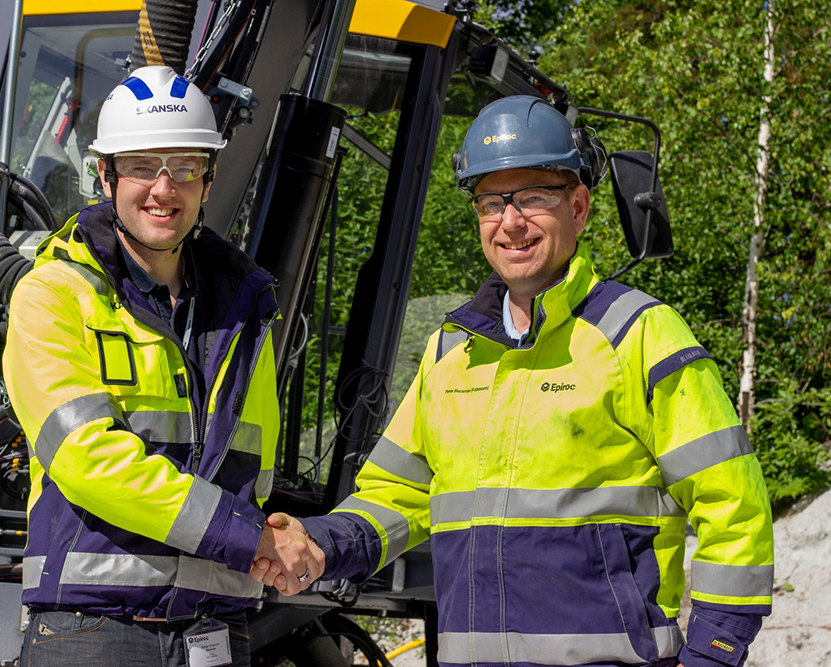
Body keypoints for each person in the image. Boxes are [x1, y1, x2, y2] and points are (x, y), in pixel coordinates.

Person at [253, 95, 774, 667]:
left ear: (578, 206)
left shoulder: (640, 335)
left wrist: (713, 653)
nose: (511, 222)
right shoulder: (452, 352)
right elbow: (397, 496)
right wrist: (322, 544)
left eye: (532, 198)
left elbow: (734, 509)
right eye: (491, 201)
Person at [3, 65, 323, 667]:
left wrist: (275, 535)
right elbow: (88, 460)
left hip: (216, 627)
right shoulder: (53, 296)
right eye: (142, 166)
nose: (163, 188)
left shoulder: (243, 309)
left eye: (184, 167)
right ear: (105, 175)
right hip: (95, 628)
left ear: (208, 178)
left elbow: (247, 472)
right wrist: (250, 536)